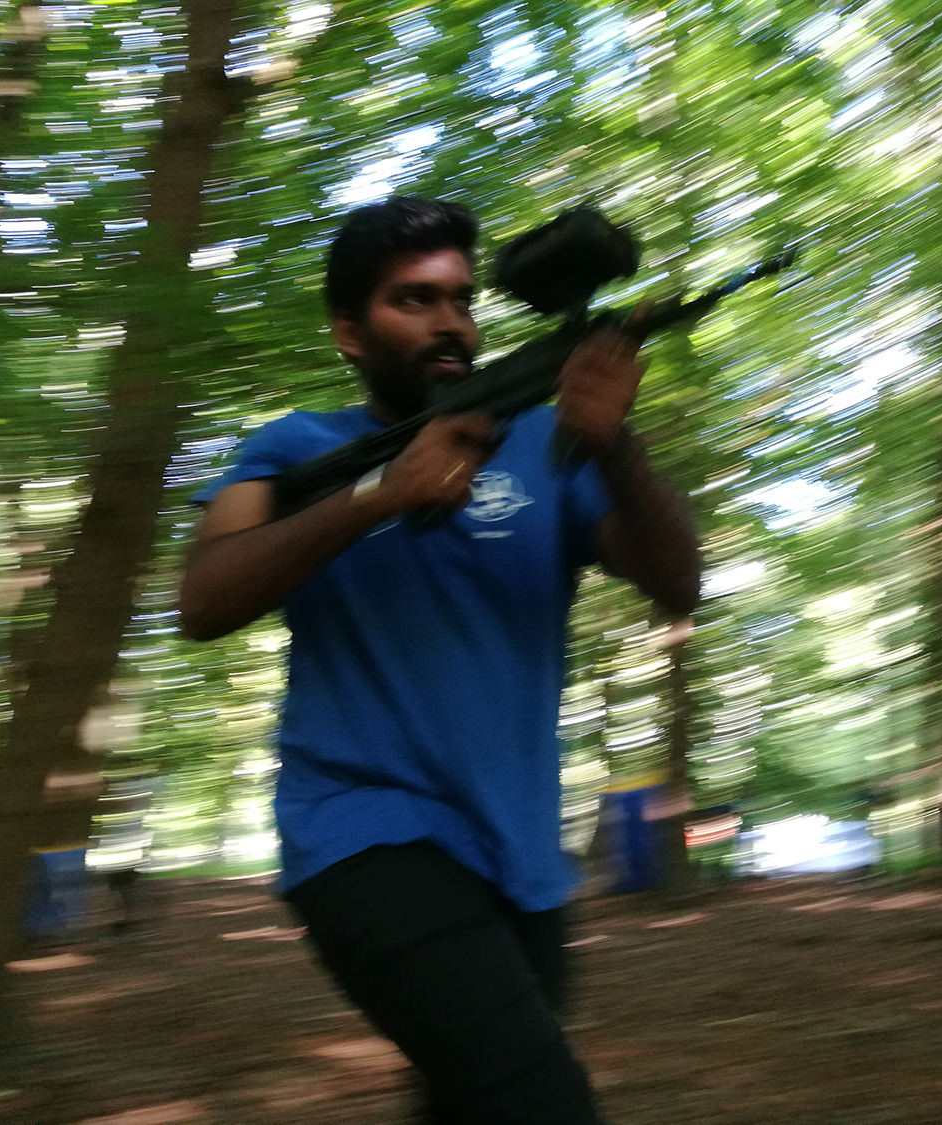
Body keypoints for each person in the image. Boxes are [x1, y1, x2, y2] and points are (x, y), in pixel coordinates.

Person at [178, 196, 700, 1124]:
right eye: (412, 300)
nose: (449, 322)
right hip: (363, 837)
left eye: (460, 299)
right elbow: (204, 597)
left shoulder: (552, 444)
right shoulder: (296, 446)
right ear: (350, 331)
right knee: (541, 1104)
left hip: (522, 855)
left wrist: (615, 442)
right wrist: (377, 494)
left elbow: (677, 583)